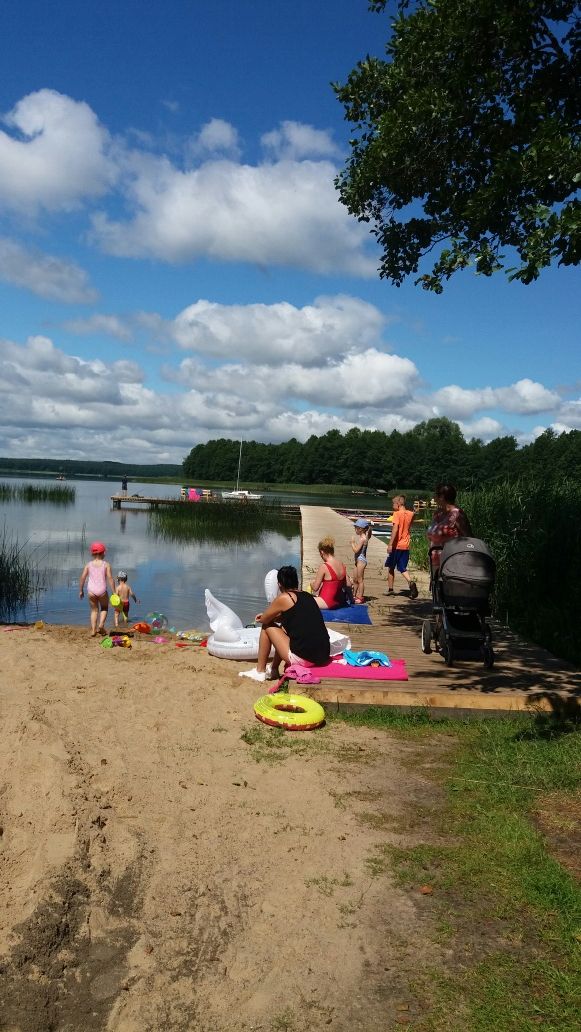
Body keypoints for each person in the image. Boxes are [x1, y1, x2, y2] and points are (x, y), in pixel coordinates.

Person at [239, 565, 331, 682]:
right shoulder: (308, 596)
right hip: (323, 654)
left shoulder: (284, 597)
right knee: (283, 628)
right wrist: (276, 617)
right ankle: (273, 669)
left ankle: (260, 671)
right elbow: (295, 617)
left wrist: (263, 618)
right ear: (296, 581)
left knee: (267, 627)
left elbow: (265, 620)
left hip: (305, 658)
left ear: (279, 584)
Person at [426, 483, 472, 571]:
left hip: (452, 561)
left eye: (435, 494)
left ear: (442, 497)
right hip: (435, 560)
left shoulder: (457, 514)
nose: (434, 497)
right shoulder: (437, 514)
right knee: (435, 584)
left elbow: (468, 537)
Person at [385, 496, 418, 599]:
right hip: (406, 545)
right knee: (402, 567)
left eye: (393, 503)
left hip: (397, 545)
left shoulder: (396, 514)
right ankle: (410, 582)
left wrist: (390, 544)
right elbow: (410, 525)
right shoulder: (411, 514)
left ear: (398, 504)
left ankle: (390, 590)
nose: (392, 505)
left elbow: (395, 529)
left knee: (391, 567)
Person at [79, 542, 115, 637]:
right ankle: (101, 624)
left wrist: (81, 590)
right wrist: (114, 592)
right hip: (102, 590)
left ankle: (93, 630)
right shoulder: (106, 564)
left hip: (91, 590)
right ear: (102, 553)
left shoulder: (88, 565)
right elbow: (110, 578)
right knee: (104, 608)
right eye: (104, 552)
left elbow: (82, 577)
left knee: (94, 610)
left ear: (92, 553)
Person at [310, 536, 349, 610]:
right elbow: (348, 584)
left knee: (301, 601)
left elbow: (315, 588)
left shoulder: (324, 566)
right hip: (339, 602)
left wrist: (311, 584)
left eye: (320, 553)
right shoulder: (341, 564)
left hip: (326, 602)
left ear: (322, 552)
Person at [351, 518, 372, 604]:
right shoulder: (364, 537)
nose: (355, 530)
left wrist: (352, 543)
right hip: (358, 561)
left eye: (356, 528)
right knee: (355, 579)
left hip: (361, 561)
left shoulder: (362, 539)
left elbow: (356, 550)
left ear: (360, 529)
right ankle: (354, 595)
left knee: (360, 580)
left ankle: (360, 597)